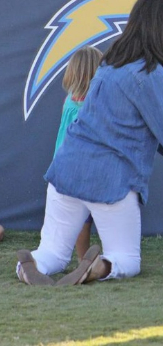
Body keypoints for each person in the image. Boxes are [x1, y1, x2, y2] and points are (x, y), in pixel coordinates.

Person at [16, 0, 163, 286]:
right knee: (126, 260)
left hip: (67, 167)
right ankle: (97, 268)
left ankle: (27, 267)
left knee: (51, 254)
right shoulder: (151, 74)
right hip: (111, 179)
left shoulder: (108, 64)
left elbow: (146, 130)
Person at [55, 46, 103, 262]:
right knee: (100, 214)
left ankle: (83, 260)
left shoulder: (69, 100)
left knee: (82, 219)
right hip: (90, 166)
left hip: (66, 167)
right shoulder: (95, 105)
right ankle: (100, 259)